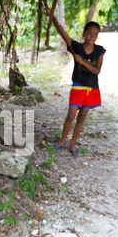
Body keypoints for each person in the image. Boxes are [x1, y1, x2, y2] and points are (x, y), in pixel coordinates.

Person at [47, 10, 106, 157]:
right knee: (71, 115)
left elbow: (97, 71)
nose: (92, 36)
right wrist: (52, 16)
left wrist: (82, 62)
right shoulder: (76, 47)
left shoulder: (99, 51)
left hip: (92, 89)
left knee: (82, 117)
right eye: (90, 33)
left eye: (95, 34)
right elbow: (62, 32)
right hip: (78, 85)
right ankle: (62, 141)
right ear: (84, 33)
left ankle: (72, 144)